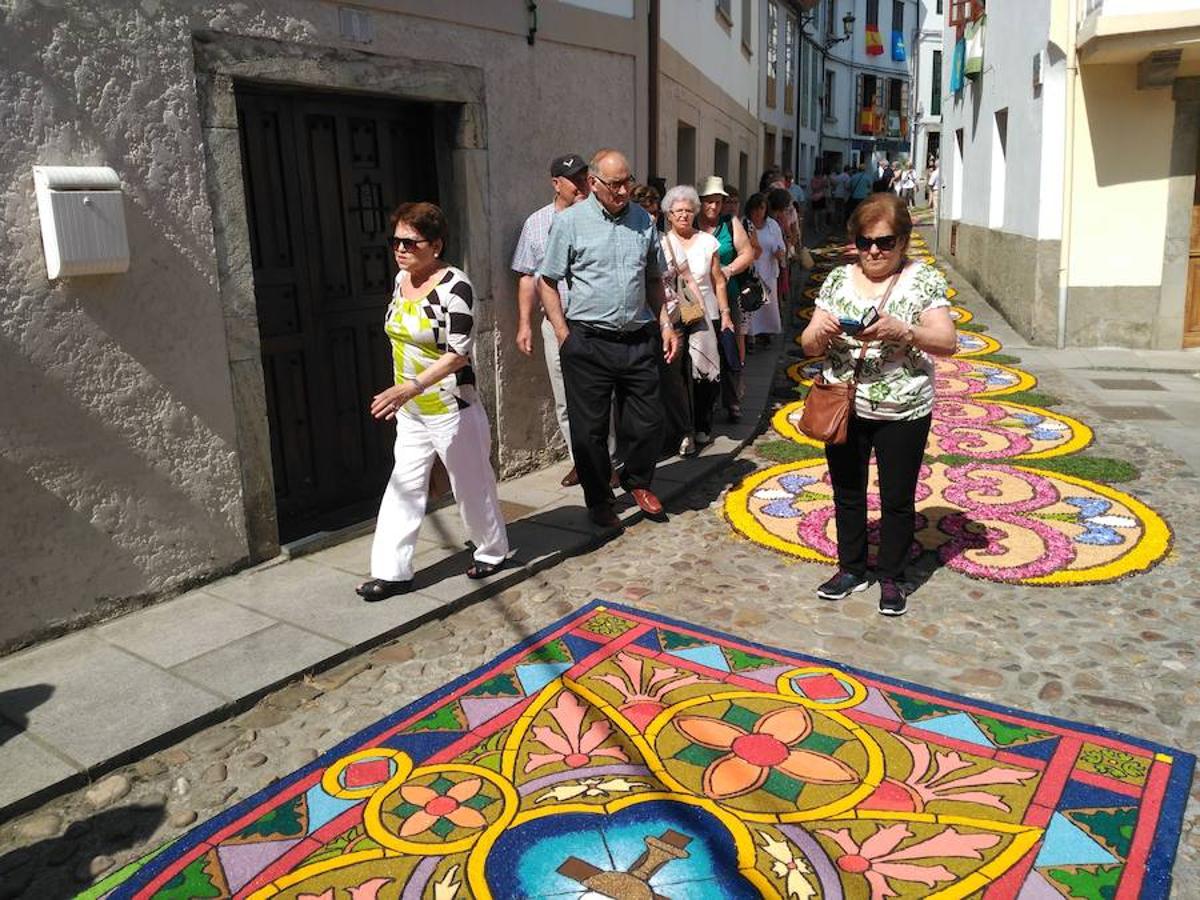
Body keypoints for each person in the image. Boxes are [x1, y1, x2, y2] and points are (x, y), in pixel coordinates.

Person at [799, 192, 957, 616]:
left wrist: (903, 331)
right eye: (866, 241)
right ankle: (851, 568)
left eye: (884, 242)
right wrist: (822, 333)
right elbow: (808, 343)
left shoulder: (923, 280)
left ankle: (892, 577)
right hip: (844, 404)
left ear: (902, 242)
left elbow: (947, 342)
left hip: (902, 411)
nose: (874, 250)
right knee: (847, 493)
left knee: (897, 498)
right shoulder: (837, 280)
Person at [358, 202, 510, 601]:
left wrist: (412, 386)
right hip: (411, 412)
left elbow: (458, 353)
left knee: (471, 484)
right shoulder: (400, 281)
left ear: (437, 244)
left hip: (451, 408)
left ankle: (493, 550)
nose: (401, 249)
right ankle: (391, 573)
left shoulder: (455, 287)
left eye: (411, 241)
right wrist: (406, 394)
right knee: (403, 485)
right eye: (396, 241)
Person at [538, 149, 680, 528]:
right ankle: (599, 499)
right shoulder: (570, 223)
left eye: (626, 182)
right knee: (589, 433)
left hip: (637, 338)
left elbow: (653, 278)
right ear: (594, 183)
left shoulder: (643, 222)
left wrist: (665, 324)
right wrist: (563, 333)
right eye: (614, 184)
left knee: (649, 421)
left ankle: (638, 482)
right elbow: (547, 281)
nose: (622, 191)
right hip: (588, 341)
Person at [511, 154, 596, 488]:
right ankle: (582, 461)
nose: (581, 185)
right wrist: (524, 323)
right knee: (565, 397)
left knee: (600, 395)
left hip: (593, 322)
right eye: (574, 179)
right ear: (556, 183)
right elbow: (527, 277)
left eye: (584, 177)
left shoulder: (597, 218)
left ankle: (608, 460)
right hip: (555, 324)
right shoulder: (536, 224)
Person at [662, 184, 733, 455]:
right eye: (678, 211)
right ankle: (684, 431)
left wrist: (725, 314)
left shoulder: (707, 242)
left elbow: (718, 281)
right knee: (677, 377)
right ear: (669, 215)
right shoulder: (661, 242)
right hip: (673, 316)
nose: (683, 215)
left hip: (705, 313)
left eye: (688, 211)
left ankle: (703, 423)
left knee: (705, 373)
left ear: (695, 213)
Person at [697, 176, 756, 421]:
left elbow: (748, 253)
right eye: (709, 202)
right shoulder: (690, 222)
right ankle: (705, 403)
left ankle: (732, 402)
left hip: (727, 298)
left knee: (728, 347)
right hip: (697, 299)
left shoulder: (730, 223)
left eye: (718, 202)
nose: (714, 207)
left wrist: (730, 269)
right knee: (701, 351)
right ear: (700, 201)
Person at [744, 192, 786, 345]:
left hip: (769, 270)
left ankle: (766, 331)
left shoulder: (772, 225)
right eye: (755, 209)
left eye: (761, 208)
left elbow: (780, 245)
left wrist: (779, 252)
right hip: (751, 271)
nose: (758, 212)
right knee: (751, 303)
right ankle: (751, 335)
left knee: (768, 304)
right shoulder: (745, 224)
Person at [845, 162, 873, 227]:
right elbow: (871, 188)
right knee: (863, 212)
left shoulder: (853, 177)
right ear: (865, 170)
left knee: (854, 212)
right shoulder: (868, 177)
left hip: (854, 197)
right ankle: (861, 225)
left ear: (858, 169)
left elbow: (848, 187)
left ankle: (854, 224)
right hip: (864, 198)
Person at [809, 164, 828, 232]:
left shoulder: (818, 179)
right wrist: (822, 184)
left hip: (819, 196)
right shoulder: (815, 180)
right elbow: (814, 188)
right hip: (817, 197)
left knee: (821, 213)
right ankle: (817, 227)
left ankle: (820, 226)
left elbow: (826, 186)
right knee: (817, 213)